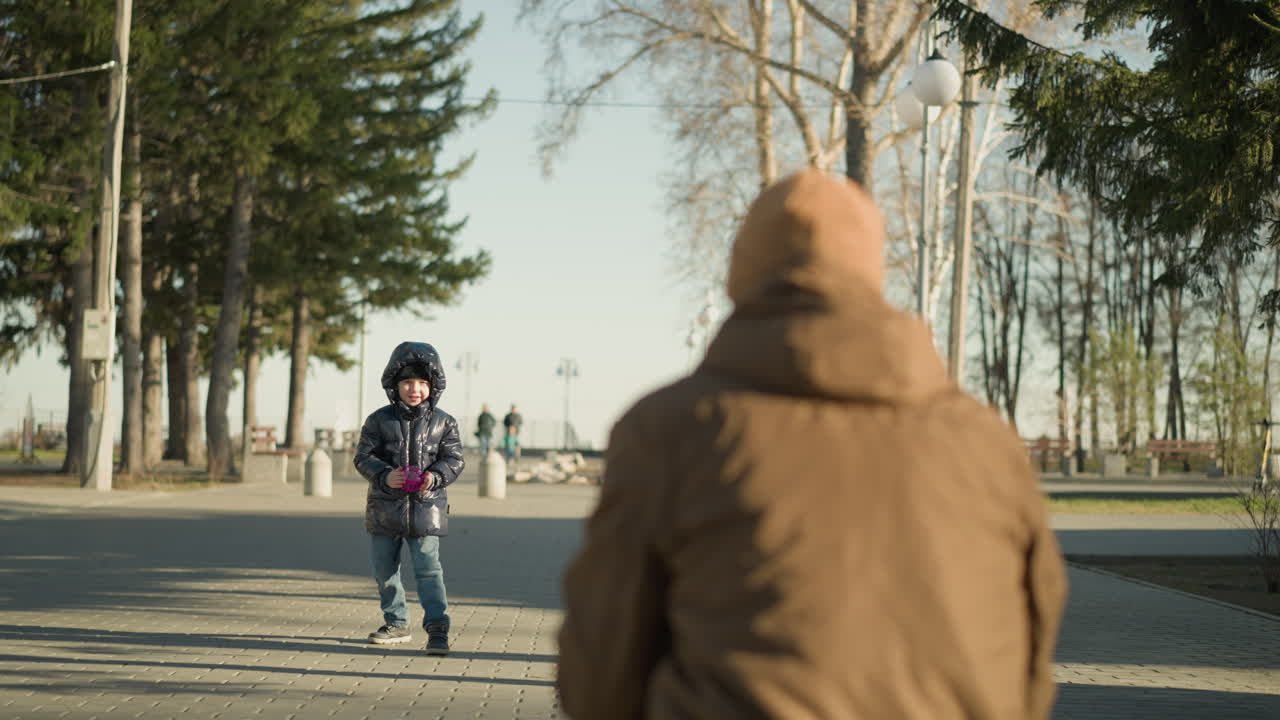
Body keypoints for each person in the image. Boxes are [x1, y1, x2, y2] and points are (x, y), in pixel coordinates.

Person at [556, 169, 1067, 719]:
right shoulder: (985, 442)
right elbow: (1030, 655)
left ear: (743, 274)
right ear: (871, 271)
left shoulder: (671, 431)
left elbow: (600, 674)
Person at [354, 341, 464, 656]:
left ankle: (438, 628)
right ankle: (397, 622)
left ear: (433, 386)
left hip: (426, 510)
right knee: (384, 570)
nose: (414, 389)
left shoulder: (445, 421)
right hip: (384, 509)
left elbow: (455, 459)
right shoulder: (378, 420)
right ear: (394, 385)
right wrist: (384, 475)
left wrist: (435, 476)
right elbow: (363, 456)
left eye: (421, 383)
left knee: (429, 570)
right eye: (406, 382)